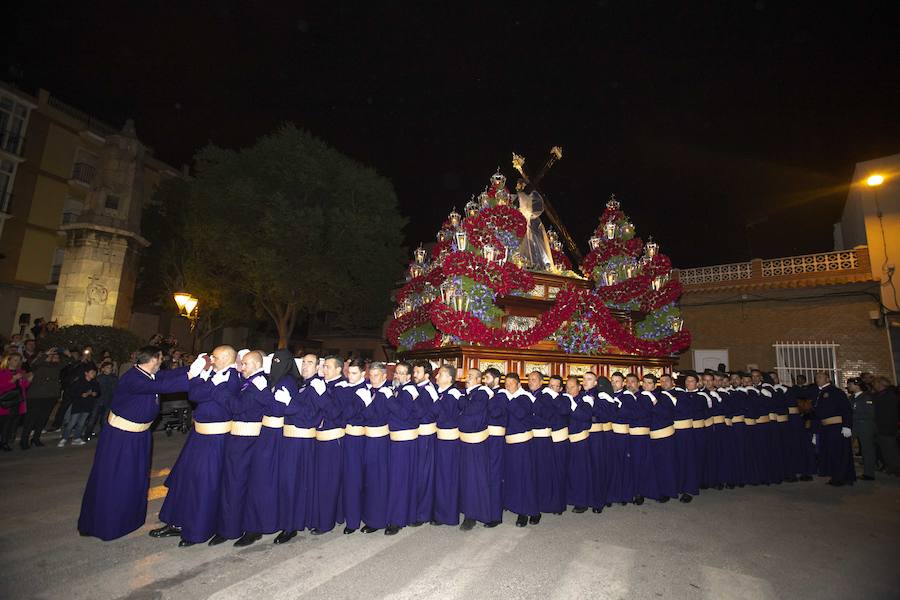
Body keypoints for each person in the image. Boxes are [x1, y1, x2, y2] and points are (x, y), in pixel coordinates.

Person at [77, 346, 191, 540]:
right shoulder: (134, 378)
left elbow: (168, 376)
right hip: (121, 437)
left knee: (134, 479)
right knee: (115, 480)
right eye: (161, 359)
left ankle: (128, 519)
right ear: (154, 359)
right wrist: (195, 376)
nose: (162, 362)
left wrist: (193, 367)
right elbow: (165, 386)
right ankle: (106, 524)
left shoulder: (148, 375)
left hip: (139, 436)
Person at [151, 347, 240, 546]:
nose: (212, 360)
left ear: (226, 358)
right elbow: (197, 393)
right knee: (184, 479)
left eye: (215, 357)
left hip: (215, 439)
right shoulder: (216, 375)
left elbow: (196, 395)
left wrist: (198, 378)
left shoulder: (232, 377)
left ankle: (197, 528)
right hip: (198, 436)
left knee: (203, 484)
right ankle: (176, 522)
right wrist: (204, 378)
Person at [208, 351, 269, 546]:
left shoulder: (258, 383)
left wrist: (219, 390)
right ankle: (229, 527)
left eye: (245, 364)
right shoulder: (251, 382)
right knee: (234, 483)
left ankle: (247, 529)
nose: (241, 367)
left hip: (247, 440)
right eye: (241, 364)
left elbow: (238, 407)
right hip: (240, 439)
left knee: (242, 484)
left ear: (256, 364)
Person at [274, 353, 320, 544]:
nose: (305, 366)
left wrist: (289, 403)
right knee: (290, 483)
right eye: (304, 362)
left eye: (310, 363)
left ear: (318, 367)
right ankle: (291, 521)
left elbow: (311, 417)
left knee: (294, 484)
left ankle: (291, 526)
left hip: (301, 441)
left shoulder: (317, 386)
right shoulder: (303, 385)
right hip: (291, 440)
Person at [335, 358, 372, 534]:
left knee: (353, 479)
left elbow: (346, 413)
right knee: (342, 477)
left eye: (354, 373)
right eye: (349, 372)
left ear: (363, 374)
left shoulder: (363, 391)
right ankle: (343, 515)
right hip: (344, 436)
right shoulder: (346, 387)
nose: (350, 376)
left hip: (356, 440)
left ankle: (353, 520)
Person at [310, 356, 346, 535]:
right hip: (318, 436)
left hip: (333, 439)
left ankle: (325, 522)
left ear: (339, 370)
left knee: (328, 481)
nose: (324, 370)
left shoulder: (341, 387)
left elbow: (335, 413)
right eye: (323, 366)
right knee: (320, 480)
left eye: (328, 367)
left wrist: (321, 394)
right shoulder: (323, 384)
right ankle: (325, 516)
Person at [500, 372, 539, 527]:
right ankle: (515, 505)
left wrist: (509, 399)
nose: (508, 386)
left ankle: (529, 511)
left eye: (511, 383)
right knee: (513, 477)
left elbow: (521, 413)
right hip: (509, 444)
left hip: (523, 444)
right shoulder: (507, 397)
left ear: (518, 384)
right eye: (506, 383)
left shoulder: (525, 397)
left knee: (525, 478)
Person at [385, 361, 419, 535]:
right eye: (396, 372)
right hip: (397, 440)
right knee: (399, 480)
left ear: (408, 376)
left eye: (401, 373)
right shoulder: (399, 389)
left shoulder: (409, 390)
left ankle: (396, 520)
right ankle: (402, 515)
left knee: (399, 480)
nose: (397, 375)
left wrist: (389, 398)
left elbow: (403, 413)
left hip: (404, 442)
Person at [458, 368, 492, 530]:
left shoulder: (482, 392)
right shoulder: (467, 393)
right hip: (464, 441)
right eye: (467, 376)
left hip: (476, 443)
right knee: (466, 478)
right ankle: (467, 509)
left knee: (475, 478)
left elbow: (471, 410)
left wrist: (463, 403)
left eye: (471, 376)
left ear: (479, 379)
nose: (467, 378)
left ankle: (475, 514)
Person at [361, 361, 391, 534]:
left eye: (376, 375)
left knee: (378, 480)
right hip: (368, 439)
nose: (372, 378)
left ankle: (378, 519)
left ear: (384, 376)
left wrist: (366, 405)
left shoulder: (385, 392)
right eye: (370, 375)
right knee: (369, 479)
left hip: (379, 440)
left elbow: (375, 416)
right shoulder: (370, 391)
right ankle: (369, 515)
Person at [19, 349, 68, 449]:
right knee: (31, 419)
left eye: (56, 357)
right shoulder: (39, 365)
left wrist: (64, 354)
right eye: (52, 356)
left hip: (50, 396)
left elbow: (66, 362)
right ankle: (24, 440)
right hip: (36, 396)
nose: (54, 358)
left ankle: (36, 438)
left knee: (43, 418)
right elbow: (33, 364)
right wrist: (46, 355)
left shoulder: (57, 367)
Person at [813, 371, 855, 486]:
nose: (817, 379)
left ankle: (842, 477)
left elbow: (846, 409)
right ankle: (835, 475)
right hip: (825, 428)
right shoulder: (819, 393)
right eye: (816, 378)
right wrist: (815, 432)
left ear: (828, 379)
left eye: (820, 377)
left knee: (839, 453)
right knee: (831, 453)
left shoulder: (836, 391)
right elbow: (817, 414)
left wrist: (847, 426)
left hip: (836, 427)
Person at [432, 364, 462, 526]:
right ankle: (439, 511)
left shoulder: (453, 393)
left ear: (449, 378)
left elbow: (440, 414)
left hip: (449, 441)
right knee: (440, 476)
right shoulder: (443, 392)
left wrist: (434, 399)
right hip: (440, 438)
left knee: (447, 476)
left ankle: (448, 515)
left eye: (440, 374)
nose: (436, 377)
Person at [411, 361, 438, 526]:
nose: (414, 375)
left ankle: (423, 513)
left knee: (424, 474)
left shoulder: (428, 390)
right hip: (416, 435)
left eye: (418, 372)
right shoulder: (418, 388)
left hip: (425, 436)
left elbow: (420, 412)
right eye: (414, 371)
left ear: (427, 375)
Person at [565, 375, 592, 512]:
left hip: (580, 440)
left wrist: (571, 404)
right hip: (565, 439)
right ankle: (570, 497)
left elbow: (585, 416)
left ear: (579, 387)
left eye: (572, 387)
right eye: (567, 387)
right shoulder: (564, 399)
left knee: (580, 472)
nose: (569, 390)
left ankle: (582, 501)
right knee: (569, 471)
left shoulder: (585, 399)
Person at [483, 367, 506, 526]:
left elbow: (496, 413)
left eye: (487, 378)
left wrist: (487, 398)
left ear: (496, 380)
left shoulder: (502, 394)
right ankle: (485, 508)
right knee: (485, 474)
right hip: (483, 437)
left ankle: (495, 515)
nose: (484, 381)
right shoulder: (485, 393)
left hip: (496, 439)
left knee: (495, 474)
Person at [58, 364, 100, 447]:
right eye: (92, 372)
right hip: (78, 404)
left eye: (94, 373)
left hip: (88, 405)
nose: (93, 374)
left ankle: (76, 438)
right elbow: (71, 392)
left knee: (81, 423)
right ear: (86, 373)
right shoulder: (79, 381)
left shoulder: (94, 382)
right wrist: (81, 394)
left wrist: (95, 393)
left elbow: (98, 392)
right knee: (72, 422)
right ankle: (64, 438)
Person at [0, 352, 31, 451]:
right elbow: (2, 387)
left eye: (19, 360)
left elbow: (24, 387)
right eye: (15, 360)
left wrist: (28, 380)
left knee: (13, 423)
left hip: (18, 402)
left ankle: (7, 440)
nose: (17, 362)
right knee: (5, 424)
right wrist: (12, 380)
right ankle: (3, 443)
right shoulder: (3, 372)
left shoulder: (20, 372)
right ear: (8, 360)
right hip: (7, 402)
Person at [848, 377, 877, 480]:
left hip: (865, 425)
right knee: (846, 447)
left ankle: (869, 473)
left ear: (857, 385)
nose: (848, 386)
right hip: (854, 425)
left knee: (867, 450)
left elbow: (870, 413)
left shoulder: (867, 397)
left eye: (850, 384)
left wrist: (853, 415)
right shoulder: (851, 398)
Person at [871, 376, 900, 475]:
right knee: (884, 449)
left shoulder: (890, 396)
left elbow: (890, 414)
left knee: (891, 449)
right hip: (879, 427)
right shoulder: (878, 395)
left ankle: (896, 468)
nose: (873, 385)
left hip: (887, 427)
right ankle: (891, 467)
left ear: (880, 384)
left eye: (875, 383)